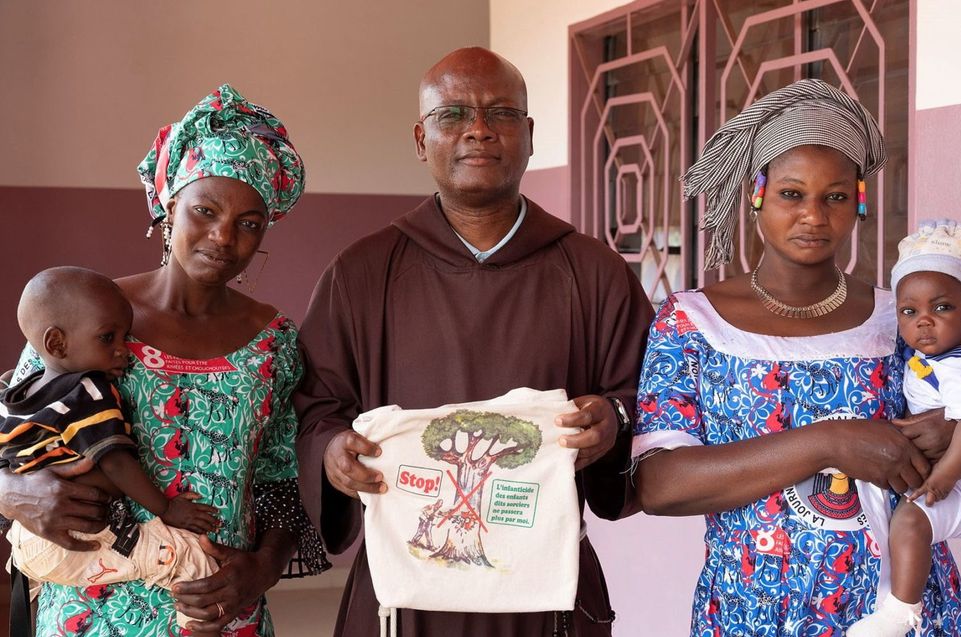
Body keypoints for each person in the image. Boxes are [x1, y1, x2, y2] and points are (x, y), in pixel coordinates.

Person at [630, 79, 961, 636]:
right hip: (754, 614)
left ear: (858, 202)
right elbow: (659, 486)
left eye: (835, 196)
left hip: (908, 615)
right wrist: (830, 442)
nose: (814, 215)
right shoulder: (694, 322)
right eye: (792, 193)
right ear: (757, 193)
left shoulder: (907, 319)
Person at [295, 47, 653, 636]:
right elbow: (313, 407)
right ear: (420, 138)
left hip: (546, 594)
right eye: (453, 114)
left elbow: (649, 398)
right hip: (404, 595)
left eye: (502, 113)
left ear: (530, 135)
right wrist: (332, 452)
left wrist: (612, 419)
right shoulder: (362, 273)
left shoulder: (593, 272)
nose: (479, 130)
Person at [0, 84, 328, 637]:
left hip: (223, 612)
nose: (224, 237)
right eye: (205, 210)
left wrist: (263, 568)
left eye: (250, 223)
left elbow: (281, 479)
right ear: (169, 206)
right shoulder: (86, 314)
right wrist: (12, 492)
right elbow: (12, 425)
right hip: (90, 614)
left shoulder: (274, 341)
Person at [3, 267, 222, 630]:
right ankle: (198, 628)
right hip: (81, 535)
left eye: (124, 336)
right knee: (186, 556)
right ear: (57, 343)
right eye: (108, 338)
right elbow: (117, 464)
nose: (124, 350)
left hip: (26, 544)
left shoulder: (13, 395)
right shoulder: (86, 392)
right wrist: (167, 509)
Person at [848, 220, 961, 636]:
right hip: (954, 474)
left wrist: (943, 479)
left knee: (909, 522)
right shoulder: (948, 350)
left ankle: (901, 612)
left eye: (942, 308)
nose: (924, 321)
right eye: (910, 311)